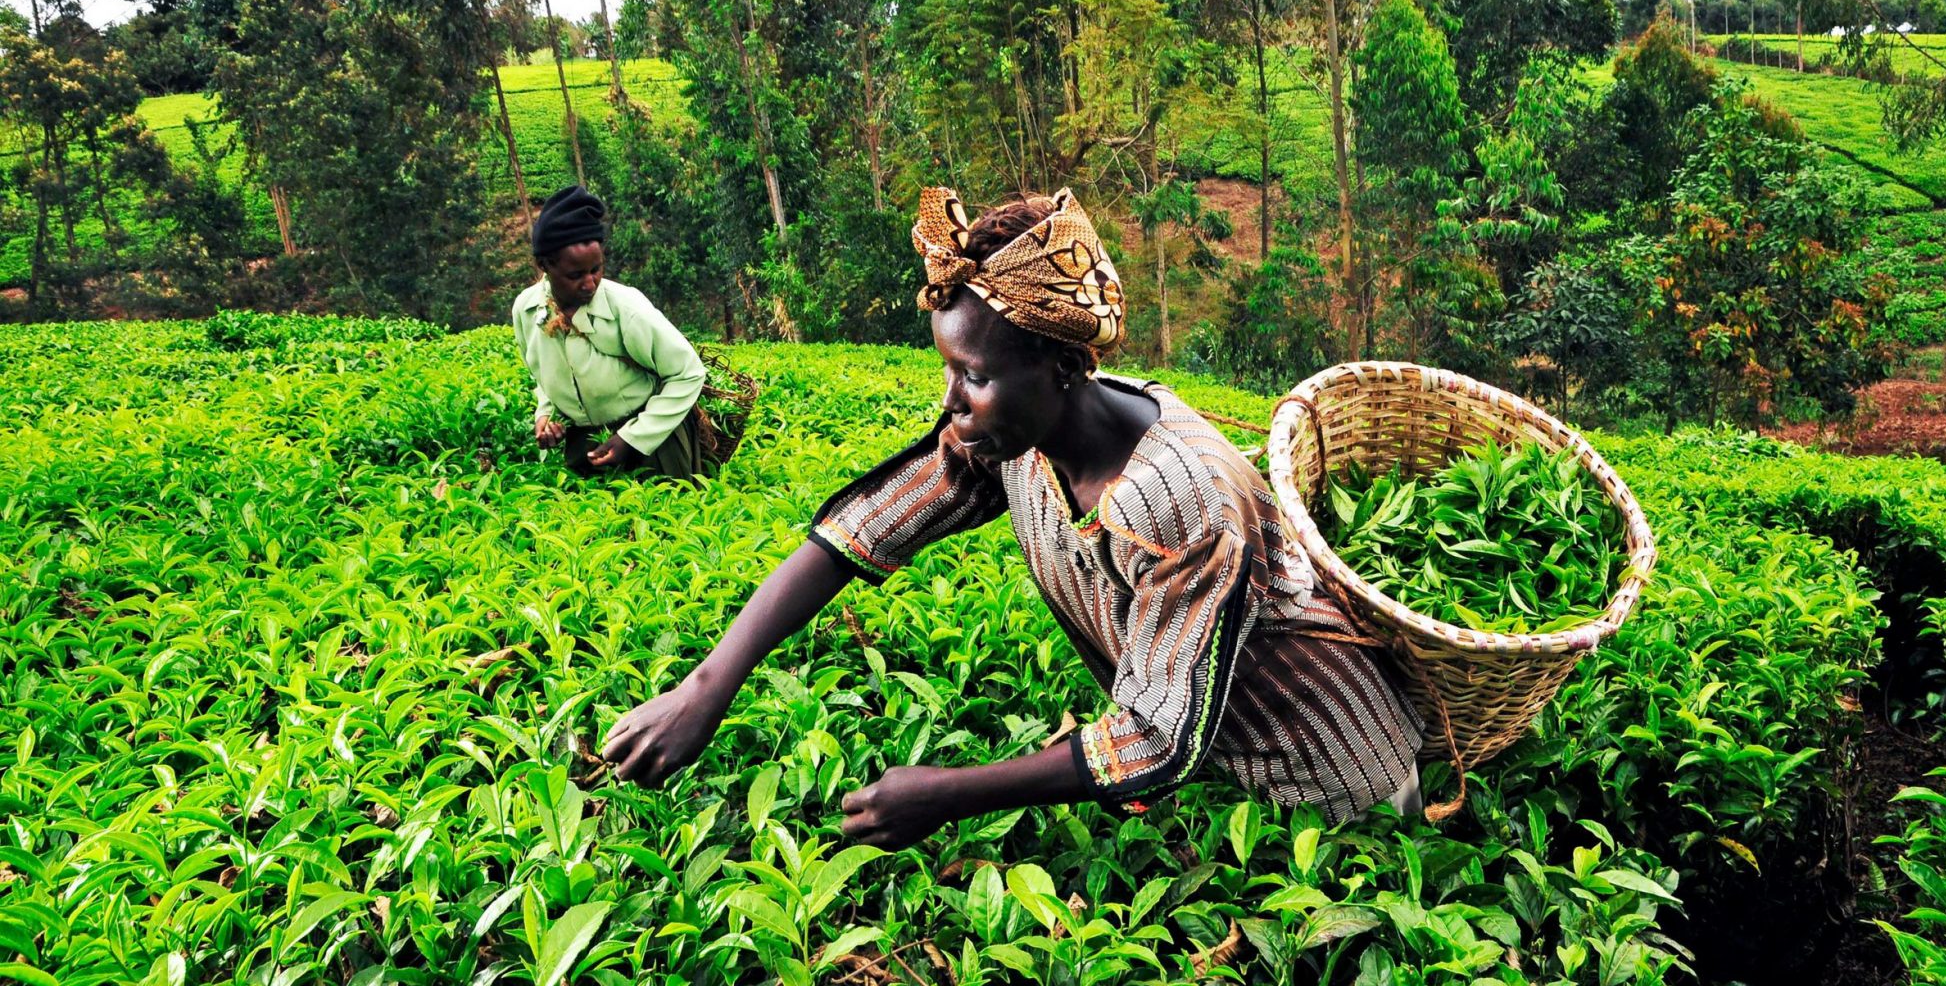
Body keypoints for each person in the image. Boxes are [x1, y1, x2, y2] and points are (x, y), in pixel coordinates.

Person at [602, 187, 1425, 846]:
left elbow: (1155, 740)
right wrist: (706, 686)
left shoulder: (1185, 501)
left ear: (1062, 366)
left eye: (973, 376)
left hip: (1333, 785)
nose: (952, 403)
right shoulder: (1014, 439)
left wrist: (944, 793)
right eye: (948, 370)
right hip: (1218, 772)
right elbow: (869, 526)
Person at [512, 185, 716, 481]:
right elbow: (543, 374)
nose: (589, 283)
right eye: (575, 275)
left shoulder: (626, 307)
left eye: (596, 269)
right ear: (544, 266)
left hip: (653, 444)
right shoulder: (527, 310)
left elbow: (688, 372)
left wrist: (632, 438)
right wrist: (546, 416)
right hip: (586, 446)